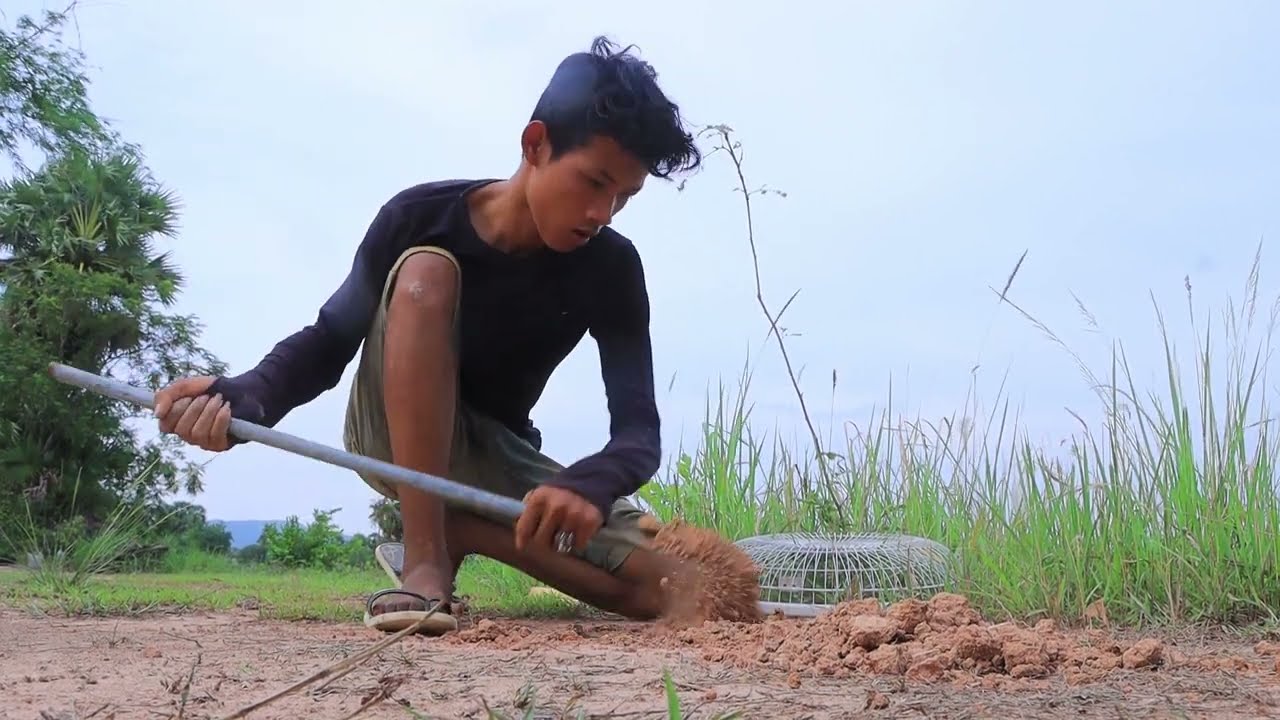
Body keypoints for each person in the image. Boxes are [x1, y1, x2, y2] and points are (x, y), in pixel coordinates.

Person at [151, 36, 703, 635]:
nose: (604, 212)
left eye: (624, 195)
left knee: (674, 586)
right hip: (392, 434)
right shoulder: (419, 215)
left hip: (498, 451)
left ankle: (461, 531)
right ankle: (422, 561)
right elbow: (330, 339)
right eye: (594, 182)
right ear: (536, 144)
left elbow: (638, 433)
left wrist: (592, 483)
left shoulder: (612, 268)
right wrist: (243, 399)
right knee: (425, 272)